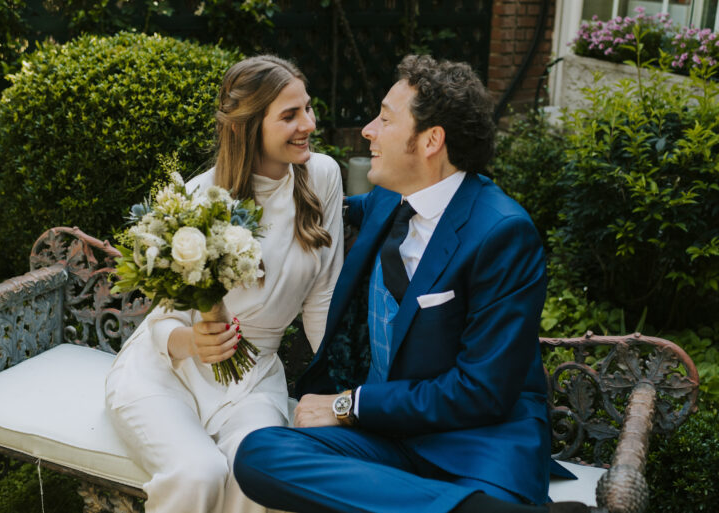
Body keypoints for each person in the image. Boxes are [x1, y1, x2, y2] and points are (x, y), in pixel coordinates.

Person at [233, 55, 588, 513]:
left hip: (476, 448)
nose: (368, 131)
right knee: (260, 454)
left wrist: (348, 405)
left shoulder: (502, 233)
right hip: (387, 442)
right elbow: (320, 206)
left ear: (431, 140)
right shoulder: (388, 199)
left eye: (384, 119)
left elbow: (480, 392)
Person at [104, 55, 344, 513]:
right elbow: (165, 318)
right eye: (290, 115)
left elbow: (323, 299)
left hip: (254, 378)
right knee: (199, 473)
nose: (309, 124)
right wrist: (194, 341)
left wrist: (349, 393)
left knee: (255, 474)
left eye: (308, 108)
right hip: (169, 370)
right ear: (247, 127)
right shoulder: (200, 196)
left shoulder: (323, 176)